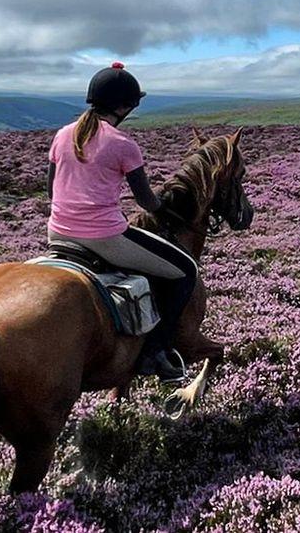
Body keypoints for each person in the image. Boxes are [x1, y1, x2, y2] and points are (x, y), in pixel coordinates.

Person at [46, 62, 197, 384]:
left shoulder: (62, 135)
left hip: (57, 231)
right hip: (104, 237)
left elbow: (51, 189)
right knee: (185, 272)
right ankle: (157, 351)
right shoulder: (122, 143)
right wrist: (166, 206)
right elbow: (147, 202)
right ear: (125, 106)